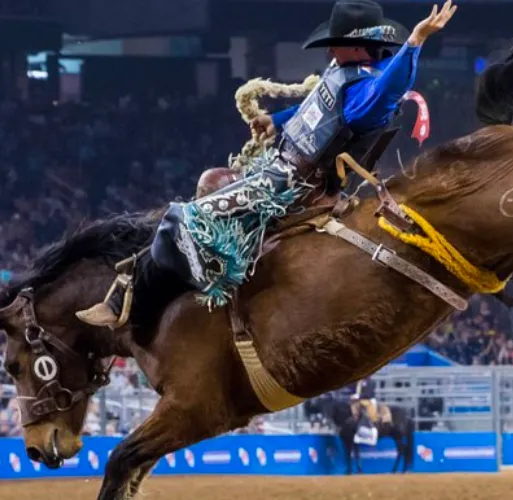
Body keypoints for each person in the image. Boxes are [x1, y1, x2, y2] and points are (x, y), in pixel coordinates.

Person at [77, 0, 458, 328]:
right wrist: (274, 121)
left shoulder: (368, 92)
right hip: (278, 166)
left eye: (336, 45)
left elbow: (389, 90)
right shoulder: (346, 76)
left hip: (290, 183)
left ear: (355, 46)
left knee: (183, 218)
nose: (329, 53)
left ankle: (130, 304)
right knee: (211, 181)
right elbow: (312, 110)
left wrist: (415, 43)